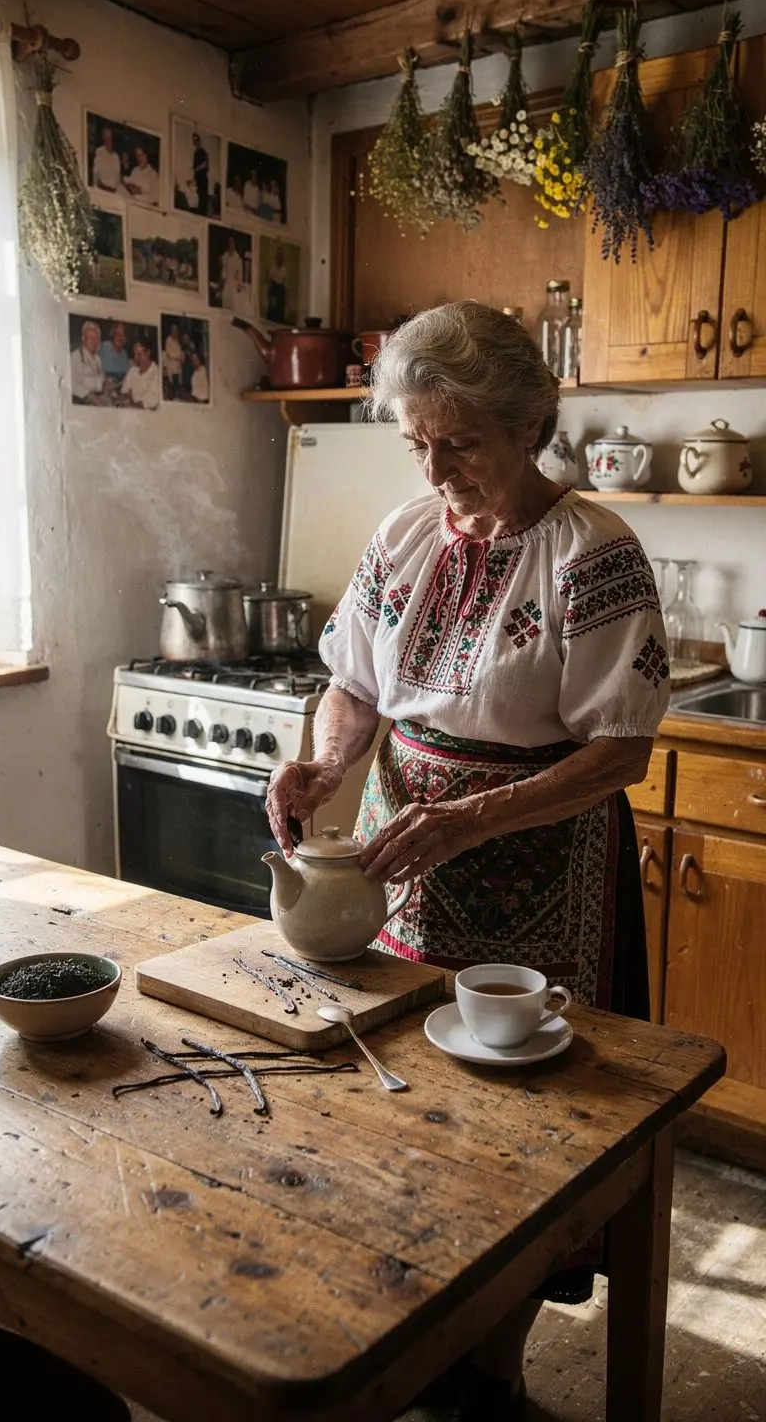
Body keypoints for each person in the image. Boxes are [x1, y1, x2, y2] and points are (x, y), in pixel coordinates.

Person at [266, 302, 671, 1421]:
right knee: (405, 1100)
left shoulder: (594, 555)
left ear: (527, 426)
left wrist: (474, 817)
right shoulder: (404, 535)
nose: (437, 471)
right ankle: (417, 1333)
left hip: (543, 870)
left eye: (462, 444)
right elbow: (354, 685)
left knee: (528, 1134)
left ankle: (489, 1376)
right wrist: (325, 764)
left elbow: (620, 752)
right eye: (417, 444)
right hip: (404, 856)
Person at [70, 320, 106, 404]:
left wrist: (106, 385)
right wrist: (89, 396)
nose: (94, 341)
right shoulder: (75, 356)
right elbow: (72, 384)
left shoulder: (98, 359)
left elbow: (101, 382)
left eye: (96, 338)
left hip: (98, 398)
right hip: (81, 401)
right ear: (83, 338)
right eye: (90, 337)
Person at [120, 339, 160, 410]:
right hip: (130, 409)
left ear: (148, 353)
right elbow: (124, 391)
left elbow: (151, 401)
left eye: (140, 354)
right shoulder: (133, 370)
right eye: (135, 354)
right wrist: (127, 400)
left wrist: (133, 406)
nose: (137, 357)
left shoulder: (156, 372)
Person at [99, 321, 130, 391]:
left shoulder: (124, 355)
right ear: (112, 334)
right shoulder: (102, 347)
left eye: (123, 335)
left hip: (117, 390)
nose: (120, 338)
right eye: (118, 334)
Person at [92, 125, 121, 193]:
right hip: (102, 191)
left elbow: (118, 178)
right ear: (103, 139)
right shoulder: (99, 154)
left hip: (115, 192)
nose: (108, 141)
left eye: (110, 138)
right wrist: (106, 189)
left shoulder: (116, 157)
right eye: (106, 138)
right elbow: (96, 179)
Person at [220, 235, 243, 311]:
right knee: (225, 302)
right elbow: (224, 270)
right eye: (229, 243)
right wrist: (222, 282)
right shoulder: (225, 256)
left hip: (233, 283)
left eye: (232, 243)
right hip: (227, 283)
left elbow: (239, 272)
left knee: (233, 304)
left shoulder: (237, 258)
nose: (231, 245)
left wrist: (239, 284)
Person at [265, 245, 287, 323]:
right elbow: (269, 280)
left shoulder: (284, 270)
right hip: (273, 288)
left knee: (279, 313)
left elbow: (284, 282)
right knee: (272, 310)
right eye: (278, 254)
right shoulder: (272, 267)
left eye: (281, 254)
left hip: (280, 289)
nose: (279, 256)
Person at [163, 323, 184, 400]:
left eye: (176, 330)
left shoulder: (177, 341)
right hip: (171, 366)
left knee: (177, 386)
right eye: (173, 330)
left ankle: (175, 397)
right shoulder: (168, 340)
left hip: (178, 367)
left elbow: (180, 352)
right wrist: (178, 356)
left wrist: (180, 356)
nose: (175, 332)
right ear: (171, 331)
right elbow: (169, 353)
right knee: (171, 386)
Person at [191, 131, 210, 215]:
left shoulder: (202, 151)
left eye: (197, 140)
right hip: (198, 180)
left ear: (199, 141)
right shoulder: (196, 152)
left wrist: (196, 169)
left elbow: (205, 165)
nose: (195, 142)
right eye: (194, 140)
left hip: (202, 179)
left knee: (202, 199)